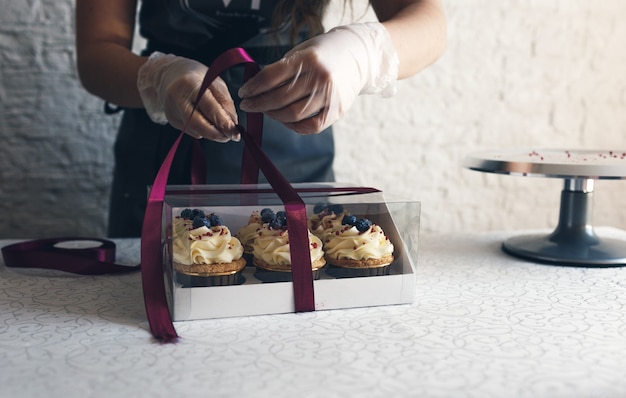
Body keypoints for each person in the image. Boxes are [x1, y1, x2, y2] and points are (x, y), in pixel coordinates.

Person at [75, 0, 446, 238]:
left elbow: (429, 22)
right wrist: (158, 78)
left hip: (293, 160)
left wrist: (361, 52)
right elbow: (95, 54)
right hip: (163, 155)